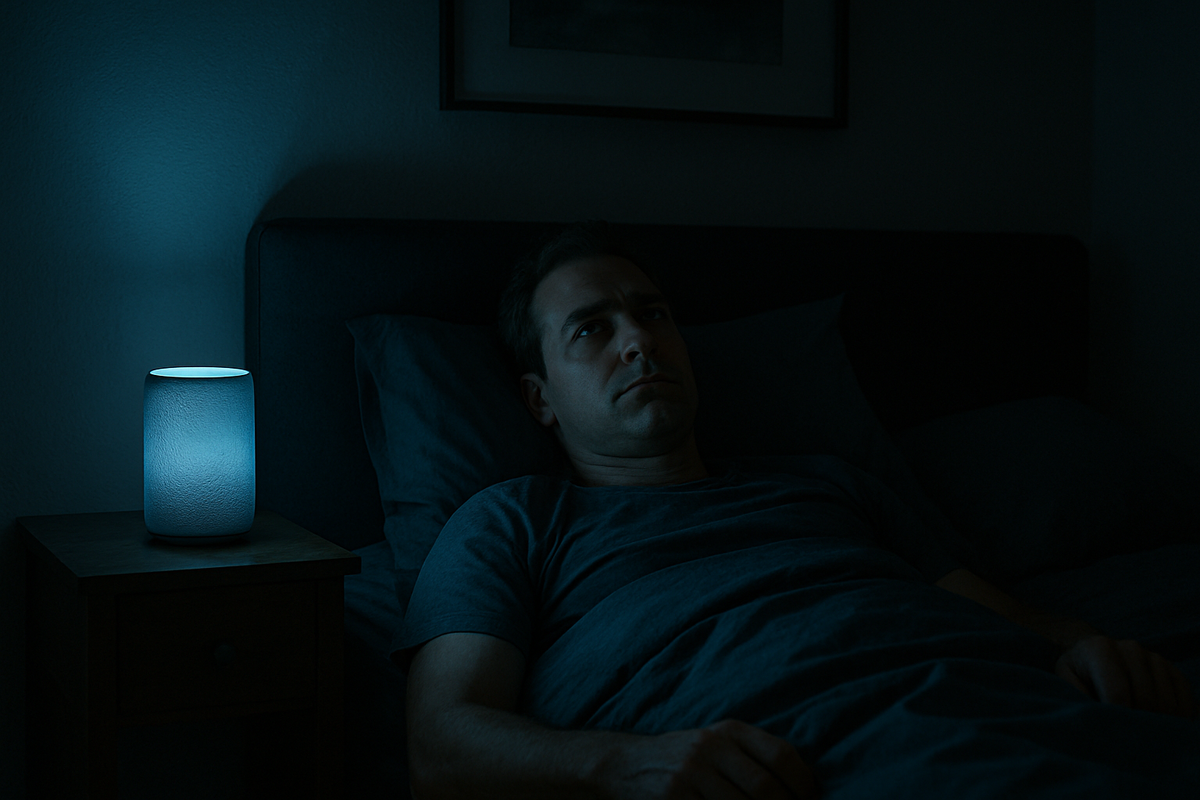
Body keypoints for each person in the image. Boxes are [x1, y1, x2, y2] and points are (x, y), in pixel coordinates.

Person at [399, 222, 1196, 800]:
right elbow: (440, 743)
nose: (639, 341)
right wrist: (615, 765)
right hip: (796, 765)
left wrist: (1084, 645)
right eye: (592, 329)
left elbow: (1004, 613)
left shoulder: (829, 484)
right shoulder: (510, 521)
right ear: (539, 398)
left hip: (1016, 711)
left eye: (653, 314)